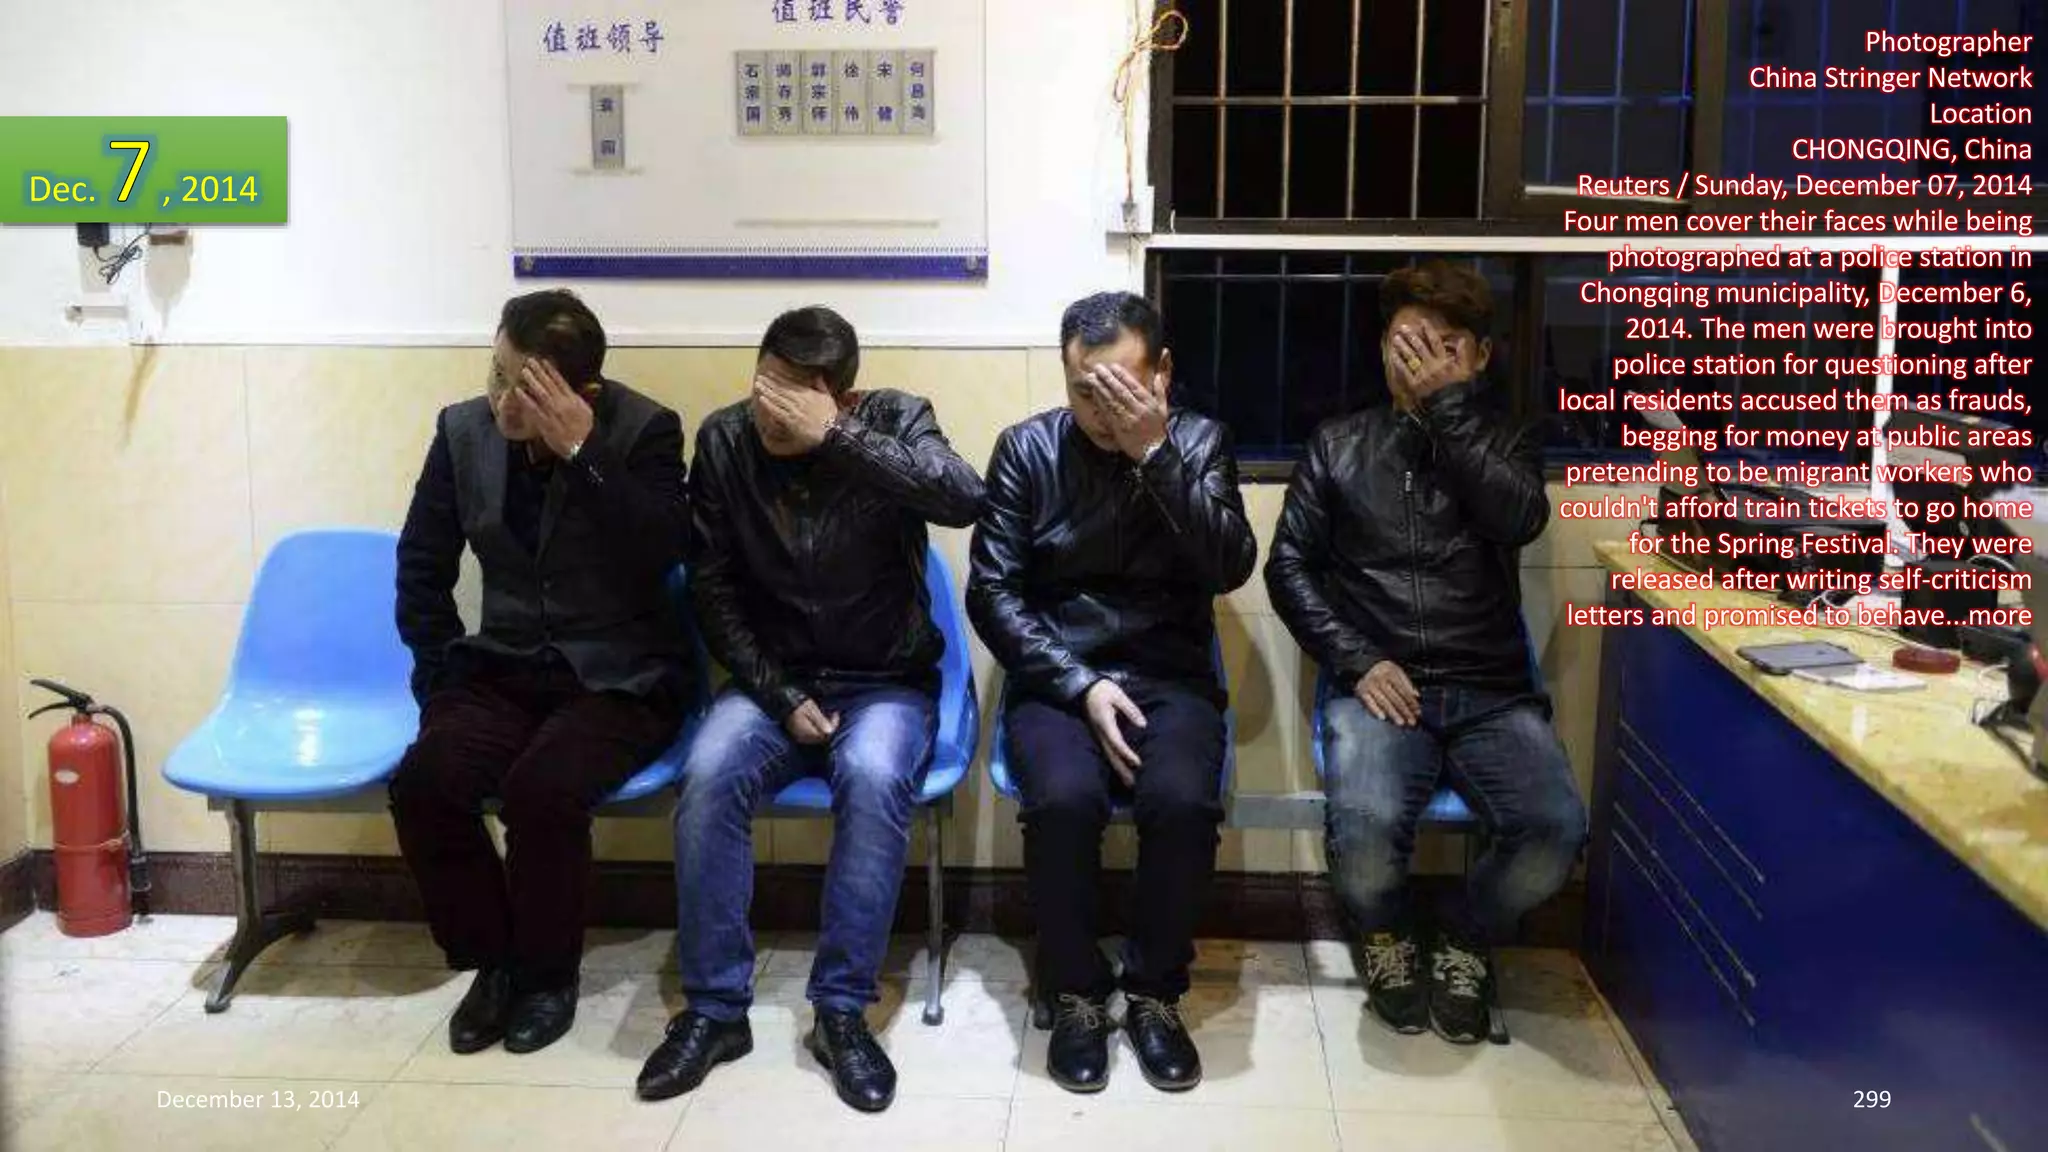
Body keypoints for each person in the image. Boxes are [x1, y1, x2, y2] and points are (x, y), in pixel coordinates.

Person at [637, 306, 985, 1113]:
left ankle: (840, 1012)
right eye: (764, 388)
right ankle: (716, 1010)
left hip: (886, 680)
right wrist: (778, 693)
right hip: (774, 681)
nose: (771, 413)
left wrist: (841, 440)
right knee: (710, 773)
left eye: (794, 400)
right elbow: (712, 587)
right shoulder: (724, 441)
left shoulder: (893, 419)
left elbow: (965, 496)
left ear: (846, 397)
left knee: (870, 776)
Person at [1265, 259, 1587, 1044]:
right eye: (1407, 344)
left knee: (1555, 831)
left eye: (1444, 347)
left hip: (1490, 689)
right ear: (1380, 350)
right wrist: (1355, 658)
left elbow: (1518, 520)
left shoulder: (1506, 442)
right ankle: (1385, 935)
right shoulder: (1339, 445)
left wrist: (1449, 413)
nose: (1421, 362)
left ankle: (1466, 933)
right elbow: (1287, 568)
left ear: (1478, 357)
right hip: (1378, 684)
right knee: (1366, 836)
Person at [967, 291, 1256, 1095]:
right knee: (1061, 801)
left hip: (1169, 675)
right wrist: (1076, 681)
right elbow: (992, 592)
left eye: (1120, 388)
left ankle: (1155, 992)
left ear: (1162, 372)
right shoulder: (1026, 450)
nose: (1100, 410)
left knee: (1184, 803)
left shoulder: (1200, 443)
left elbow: (1231, 563)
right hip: (1059, 675)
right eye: (1082, 391)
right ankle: (1076, 991)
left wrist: (1154, 453)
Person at [390, 289, 691, 1056]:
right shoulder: (461, 431)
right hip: (505, 665)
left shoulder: (644, 430)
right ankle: (494, 961)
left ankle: (550, 976)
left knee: (542, 791)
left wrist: (586, 455)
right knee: (426, 781)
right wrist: (437, 683)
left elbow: (664, 552)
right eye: (495, 372)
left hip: (620, 677)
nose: (497, 398)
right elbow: (422, 567)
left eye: (519, 386)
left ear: (578, 392)